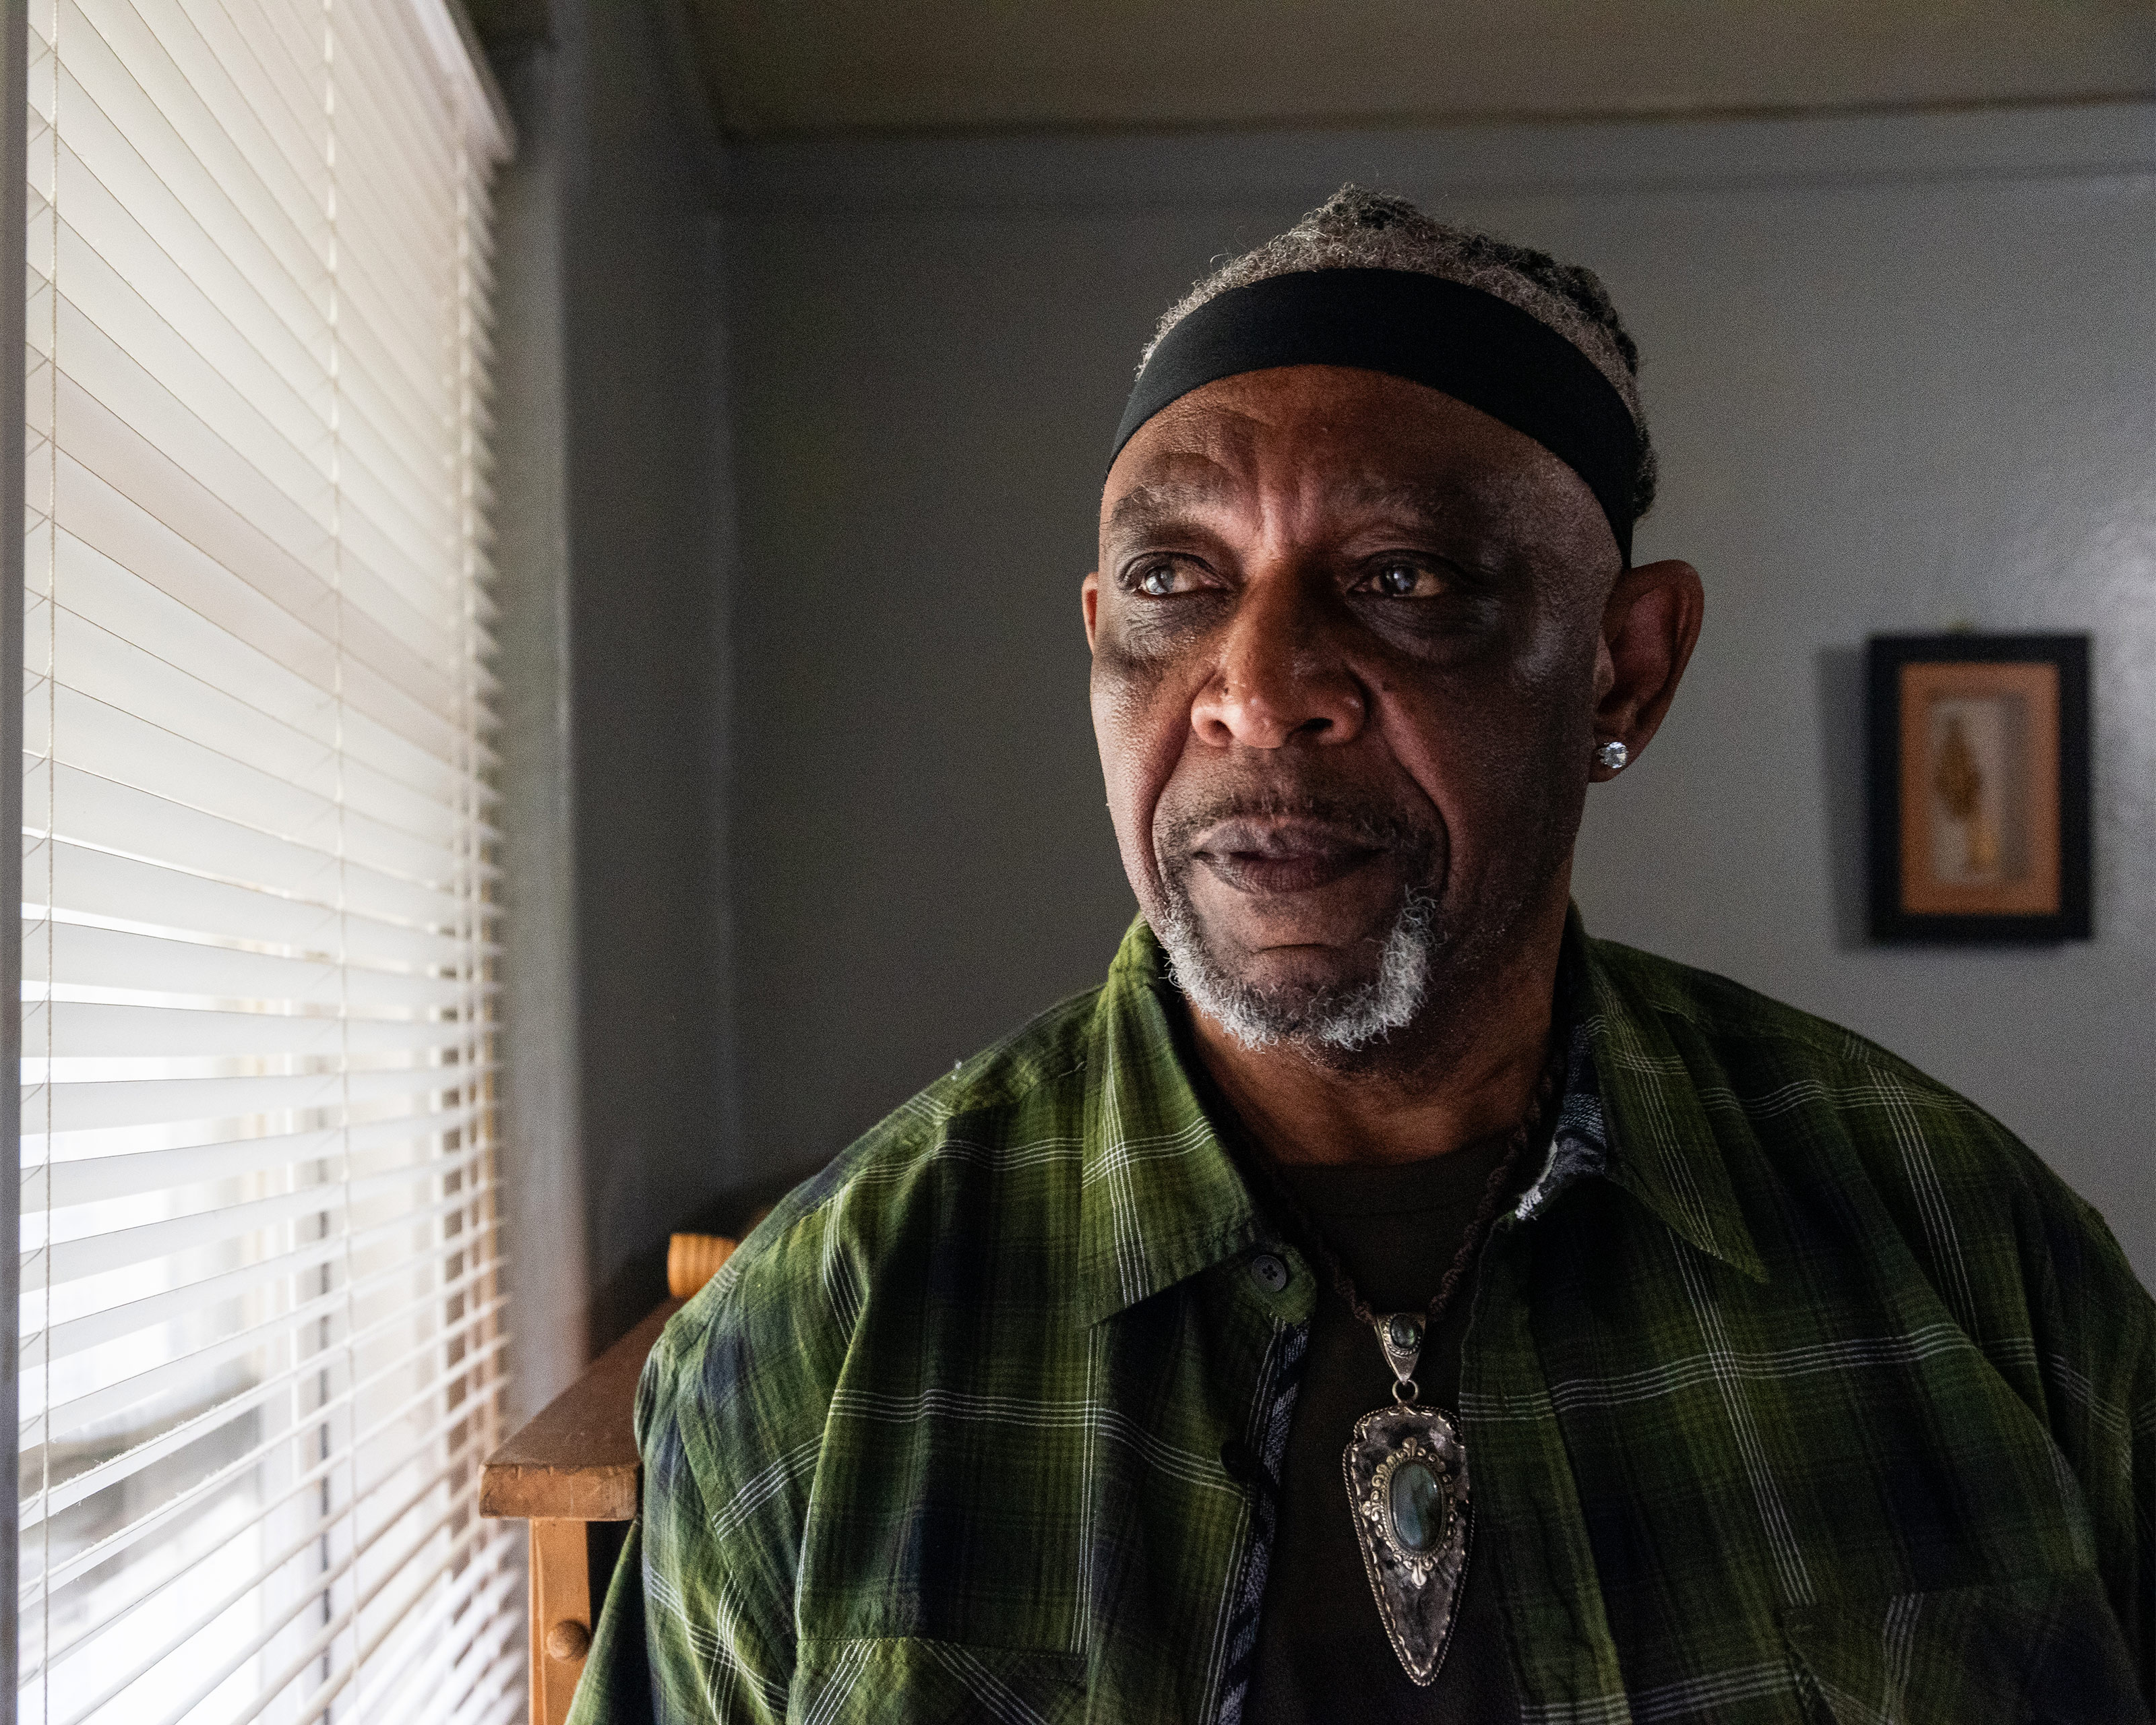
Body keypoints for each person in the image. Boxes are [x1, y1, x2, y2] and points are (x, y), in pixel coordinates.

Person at [567, 187, 2156, 1724]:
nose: (1255, 687)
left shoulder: (1959, 1252)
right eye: (1173, 583)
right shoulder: (820, 1347)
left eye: (1405, 581)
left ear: (1622, 667)